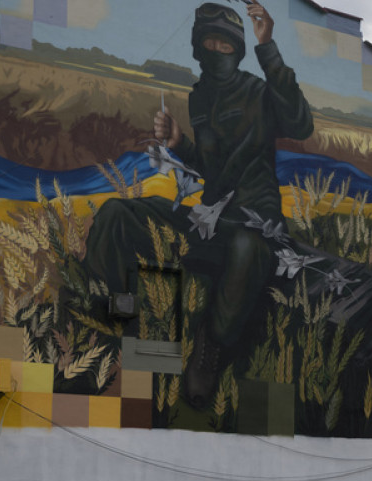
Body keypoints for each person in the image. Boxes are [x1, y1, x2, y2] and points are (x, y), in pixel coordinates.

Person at [85, 0, 314, 407]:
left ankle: (209, 349)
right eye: (209, 42)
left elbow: (300, 122)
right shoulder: (200, 98)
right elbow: (216, 168)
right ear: (197, 47)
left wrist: (269, 47)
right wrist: (179, 142)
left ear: (238, 49)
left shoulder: (259, 92)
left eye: (225, 44)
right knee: (118, 213)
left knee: (246, 249)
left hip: (255, 223)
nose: (217, 50)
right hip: (209, 218)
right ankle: (114, 313)